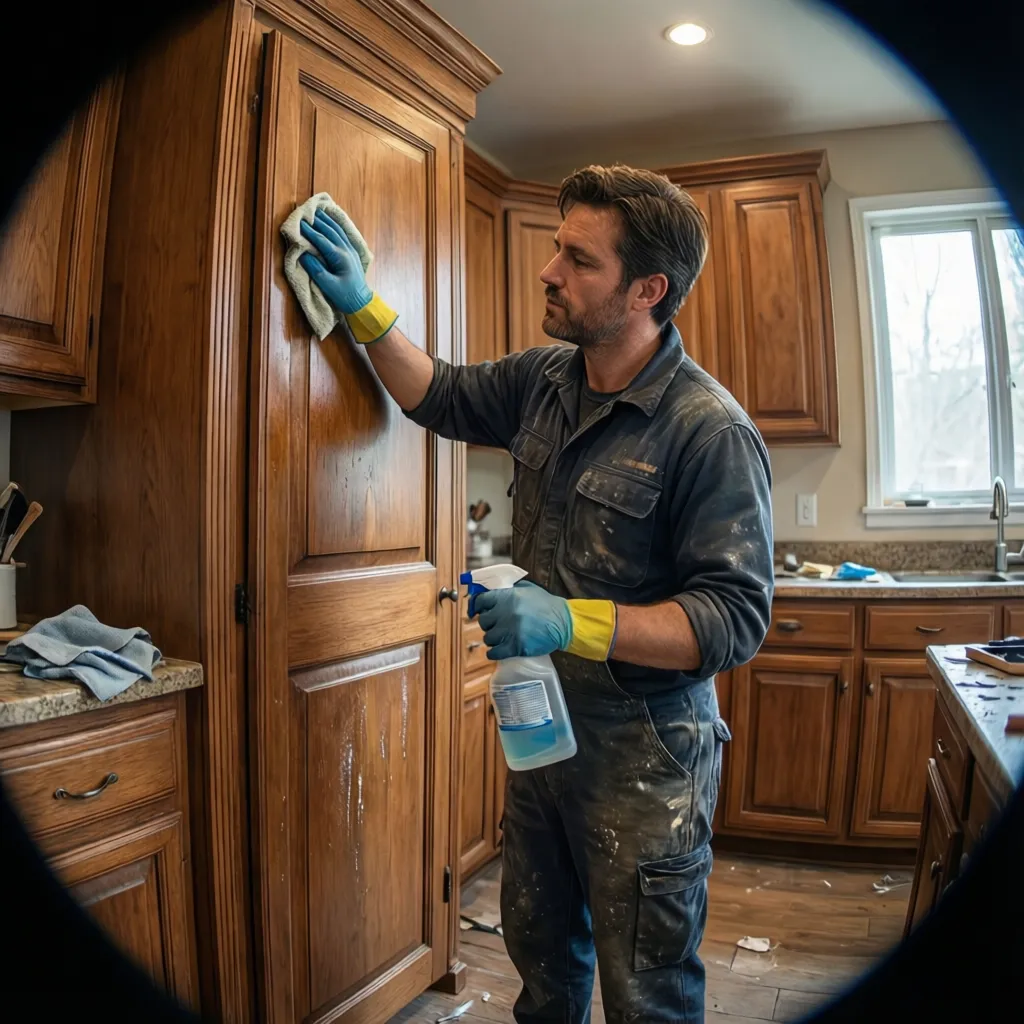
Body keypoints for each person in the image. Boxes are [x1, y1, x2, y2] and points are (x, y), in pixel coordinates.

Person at [297, 165, 774, 1023]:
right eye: (557, 248)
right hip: (542, 735)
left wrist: (568, 620)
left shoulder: (709, 430)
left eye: (578, 260)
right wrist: (364, 307)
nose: (549, 271)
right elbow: (437, 394)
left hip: (647, 757)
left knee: (648, 992)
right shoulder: (545, 380)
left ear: (647, 290)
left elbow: (733, 620)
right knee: (543, 962)